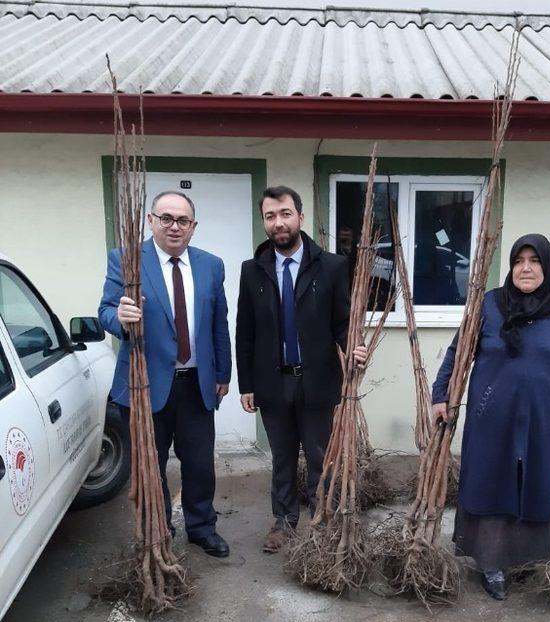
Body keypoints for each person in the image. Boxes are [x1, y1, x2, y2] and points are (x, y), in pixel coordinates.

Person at [432, 233, 550, 601]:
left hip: (543, 417)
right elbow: (458, 353)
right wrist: (440, 394)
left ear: (547, 266)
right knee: (492, 478)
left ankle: (530, 556)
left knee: (535, 479)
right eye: (518, 261)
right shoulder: (490, 305)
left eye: (534, 261)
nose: (525, 268)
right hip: (491, 415)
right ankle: (491, 563)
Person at [99, 191, 232, 557]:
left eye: (183, 221)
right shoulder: (126, 261)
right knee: (149, 466)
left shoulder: (211, 265)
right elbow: (106, 312)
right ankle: (156, 531)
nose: (175, 226)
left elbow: (218, 323)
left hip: (196, 386)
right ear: (150, 220)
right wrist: (121, 318)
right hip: (143, 387)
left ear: (193, 227)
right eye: (167, 218)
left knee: (199, 464)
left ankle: (202, 527)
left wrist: (223, 373)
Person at [236, 185, 366, 553]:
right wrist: (247, 383)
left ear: (300, 218)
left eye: (285, 214)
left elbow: (342, 321)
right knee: (281, 455)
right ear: (264, 221)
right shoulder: (252, 271)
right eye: (270, 216)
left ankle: (321, 517)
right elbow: (244, 330)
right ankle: (283, 521)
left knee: (319, 453)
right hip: (272, 382)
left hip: (318, 379)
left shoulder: (332, 266)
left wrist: (352, 345)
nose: (279, 223)